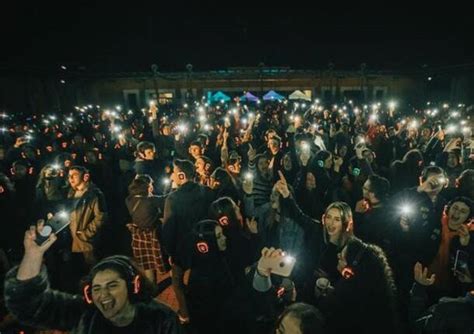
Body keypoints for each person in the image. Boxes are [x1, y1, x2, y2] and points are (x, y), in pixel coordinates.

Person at [3, 227, 183, 333]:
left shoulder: (161, 319)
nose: (103, 294)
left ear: (133, 286)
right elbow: (27, 305)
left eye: (112, 285)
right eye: (96, 288)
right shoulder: (84, 314)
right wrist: (33, 256)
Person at [126, 175, 167, 283]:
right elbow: (167, 198)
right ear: (146, 187)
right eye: (150, 185)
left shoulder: (129, 199)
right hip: (153, 235)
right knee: (162, 259)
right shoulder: (151, 201)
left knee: (147, 264)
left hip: (138, 235)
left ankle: (152, 288)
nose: (152, 187)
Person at [67, 166, 107, 268]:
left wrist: (87, 234)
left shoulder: (94, 194)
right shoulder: (71, 193)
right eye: (69, 176)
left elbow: (101, 217)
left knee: (93, 266)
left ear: (85, 177)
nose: (71, 178)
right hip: (74, 239)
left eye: (75, 175)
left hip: (87, 241)